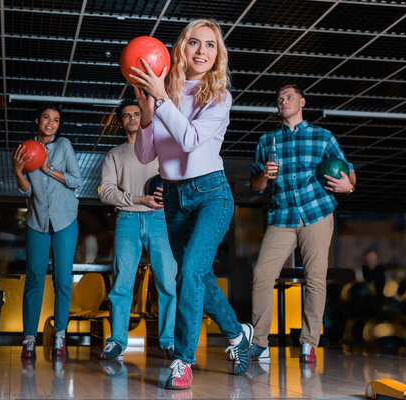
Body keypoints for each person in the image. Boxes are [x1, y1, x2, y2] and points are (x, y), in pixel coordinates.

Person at [131, 19, 253, 390]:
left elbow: (189, 140)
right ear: (180, 49)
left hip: (211, 195)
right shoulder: (163, 91)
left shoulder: (218, 96)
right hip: (173, 197)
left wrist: (162, 100)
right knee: (197, 276)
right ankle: (237, 334)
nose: (202, 51)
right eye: (194, 43)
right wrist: (147, 113)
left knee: (188, 275)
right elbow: (145, 153)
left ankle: (182, 360)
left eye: (211, 46)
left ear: (218, 55)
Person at [249, 83, 357, 365]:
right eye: (279, 99)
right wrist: (264, 175)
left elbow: (349, 174)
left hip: (317, 213)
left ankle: (309, 344)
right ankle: (259, 344)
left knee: (315, 278)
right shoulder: (267, 141)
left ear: (302, 102)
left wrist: (349, 186)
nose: (283, 102)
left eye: (289, 97)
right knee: (261, 274)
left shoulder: (323, 138)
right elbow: (256, 186)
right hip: (281, 216)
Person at [98, 99, 177, 360]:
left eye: (136, 114)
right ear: (121, 122)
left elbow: (176, 182)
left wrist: (168, 198)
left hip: (160, 220)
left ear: (144, 117)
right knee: (122, 284)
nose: (132, 118)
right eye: (126, 116)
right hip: (128, 220)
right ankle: (117, 342)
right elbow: (107, 193)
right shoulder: (114, 155)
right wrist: (137, 199)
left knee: (167, 282)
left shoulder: (162, 149)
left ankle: (168, 341)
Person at [12, 104, 82, 360]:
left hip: (65, 221)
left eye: (56, 119)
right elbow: (26, 190)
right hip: (37, 221)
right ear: (37, 120)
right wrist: (18, 171)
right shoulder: (24, 149)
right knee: (34, 279)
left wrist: (48, 170)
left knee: (62, 280)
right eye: (46, 117)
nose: (51, 123)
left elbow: (76, 181)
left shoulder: (63, 146)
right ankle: (29, 339)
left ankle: (60, 337)